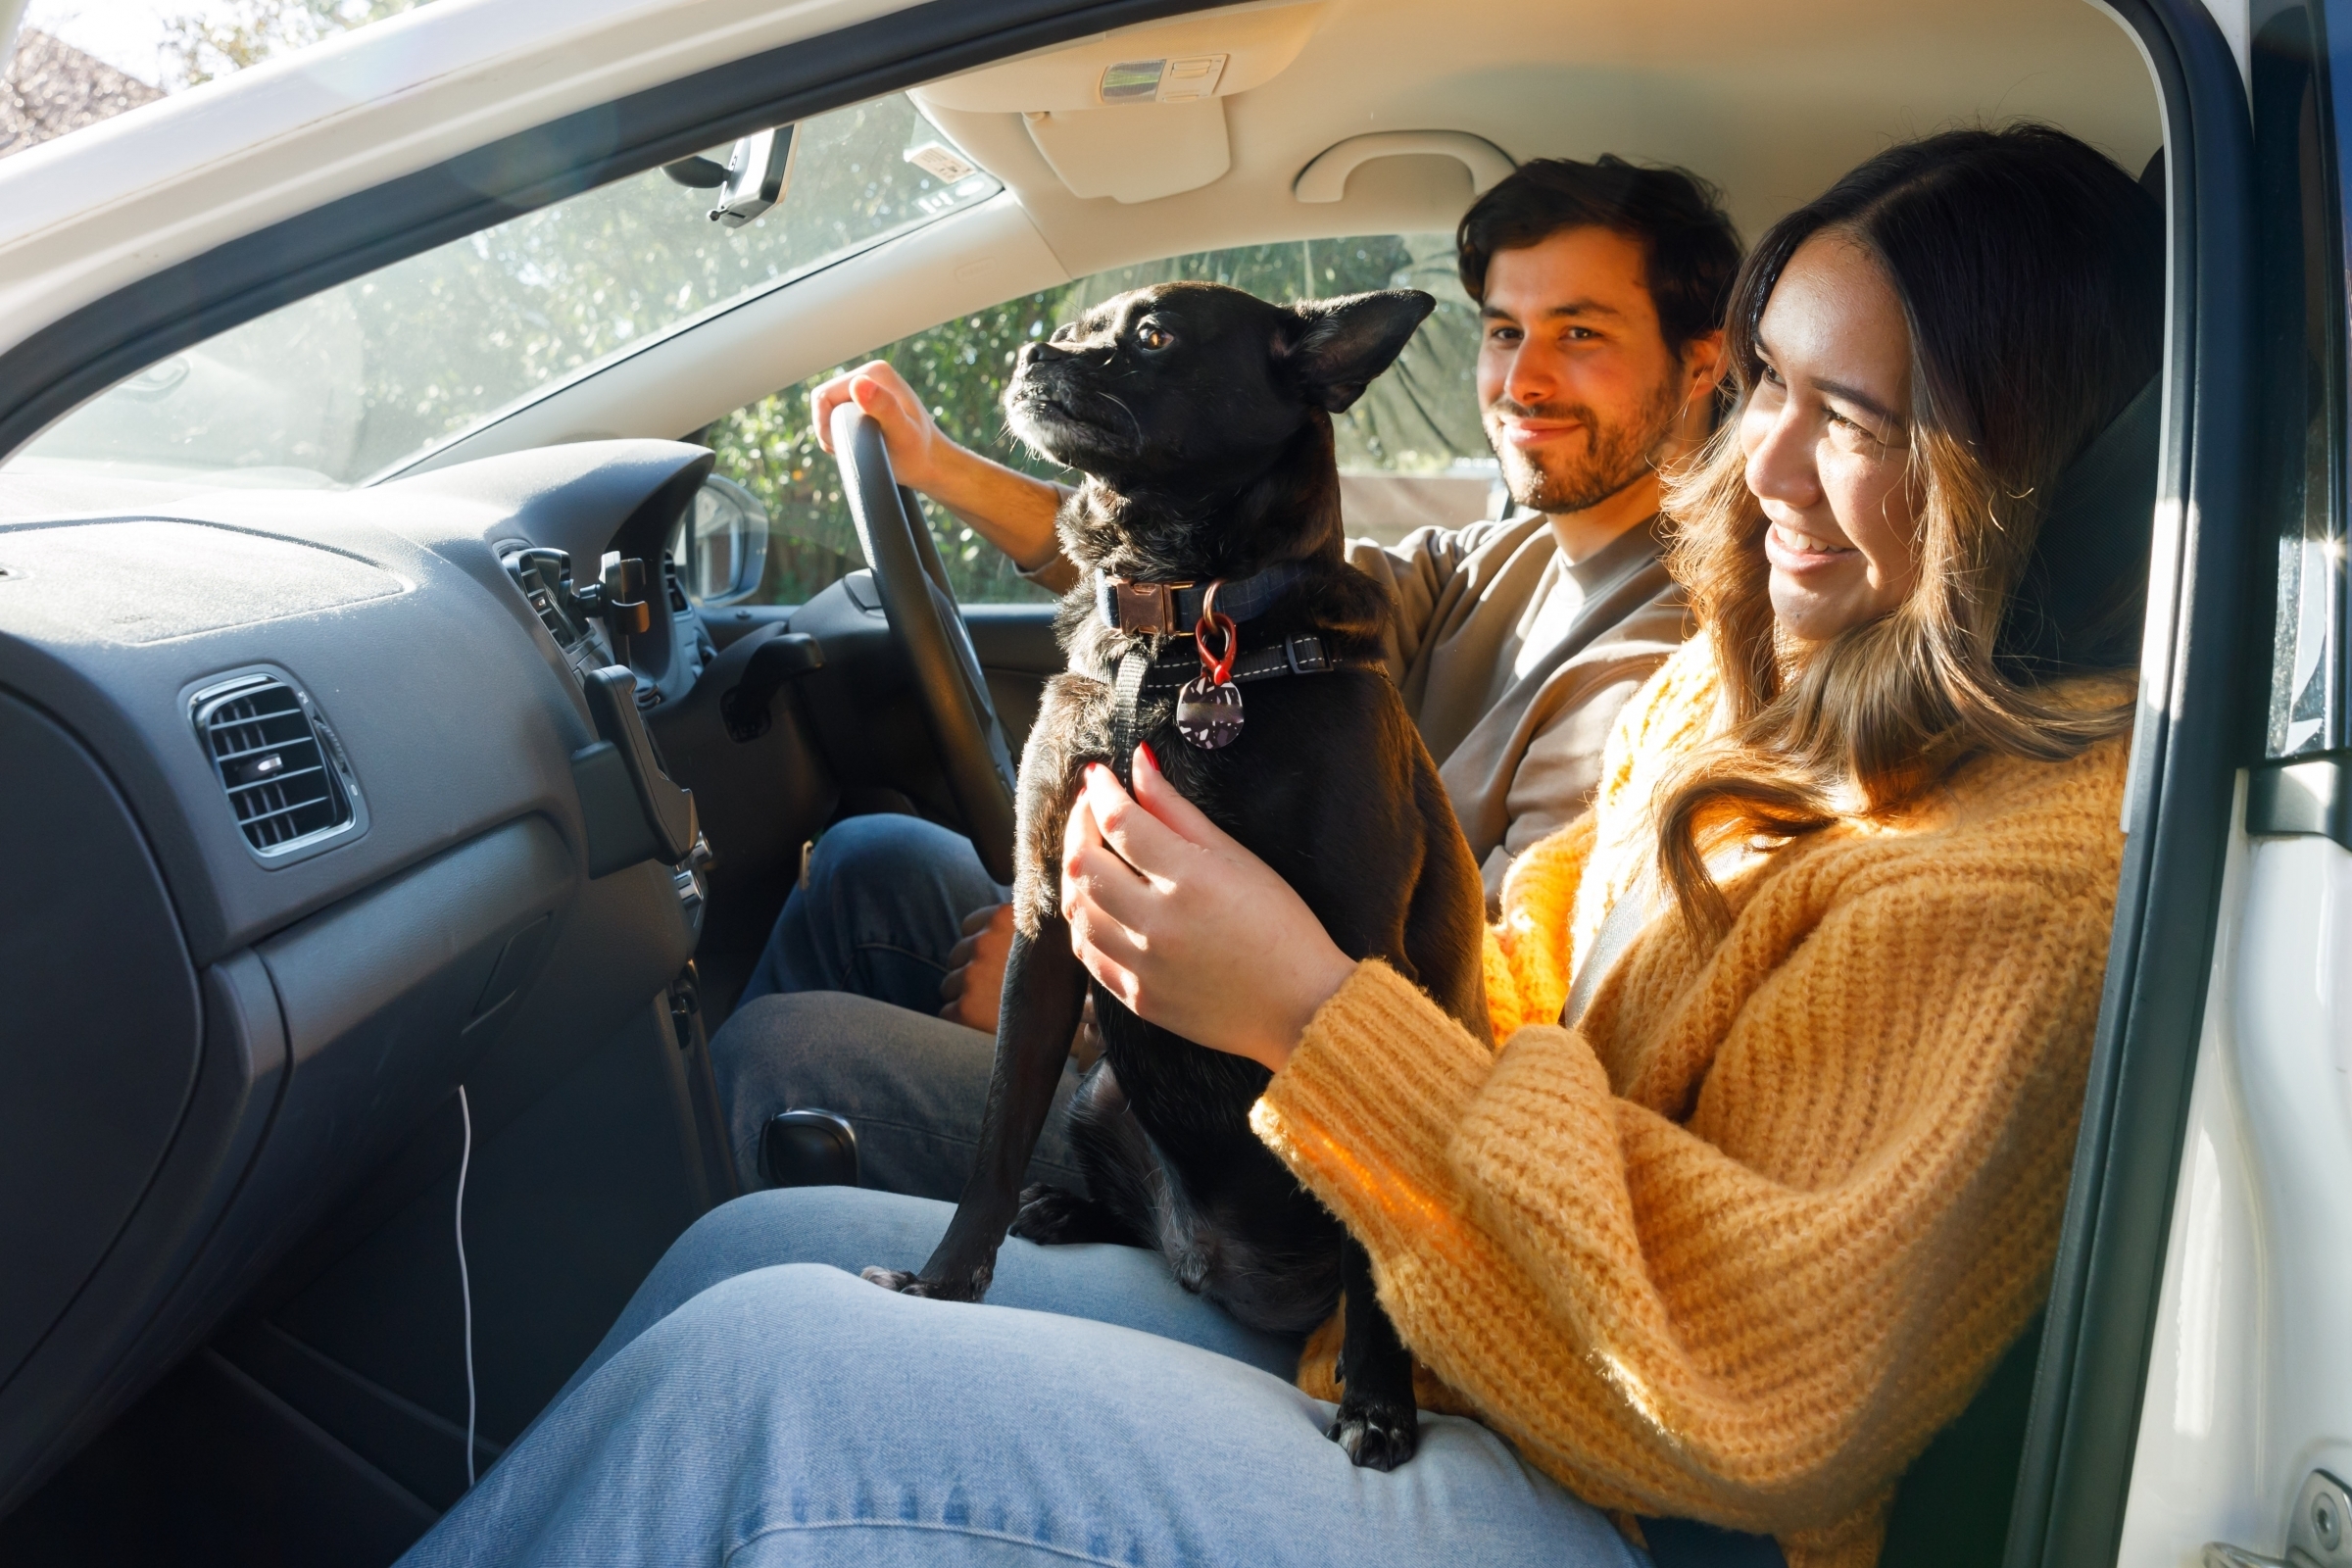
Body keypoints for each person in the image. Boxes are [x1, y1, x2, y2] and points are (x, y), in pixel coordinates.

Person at [394, 123, 2163, 1568]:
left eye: (1849, 414)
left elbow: (1762, 1390)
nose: (1762, 456)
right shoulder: (1736, 681)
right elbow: (1498, 943)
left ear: (2024, 468)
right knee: (745, 1265)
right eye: (1772, 383)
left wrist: (1307, 1011)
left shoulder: (2015, 882)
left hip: (1625, 1497)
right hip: (1431, 1289)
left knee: (759, 1392)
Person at [716, 157, 1742, 1196]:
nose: (1522, 380)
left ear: (1703, 365)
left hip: (1283, 1141)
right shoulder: (1500, 556)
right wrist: (937, 465)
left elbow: (1504, 1006)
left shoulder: (1674, 666)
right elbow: (1192, 593)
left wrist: (1086, 1018)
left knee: (780, 1059)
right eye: (1505, 331)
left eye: (1580, 333)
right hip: (1186, 983)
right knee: (863, 864)